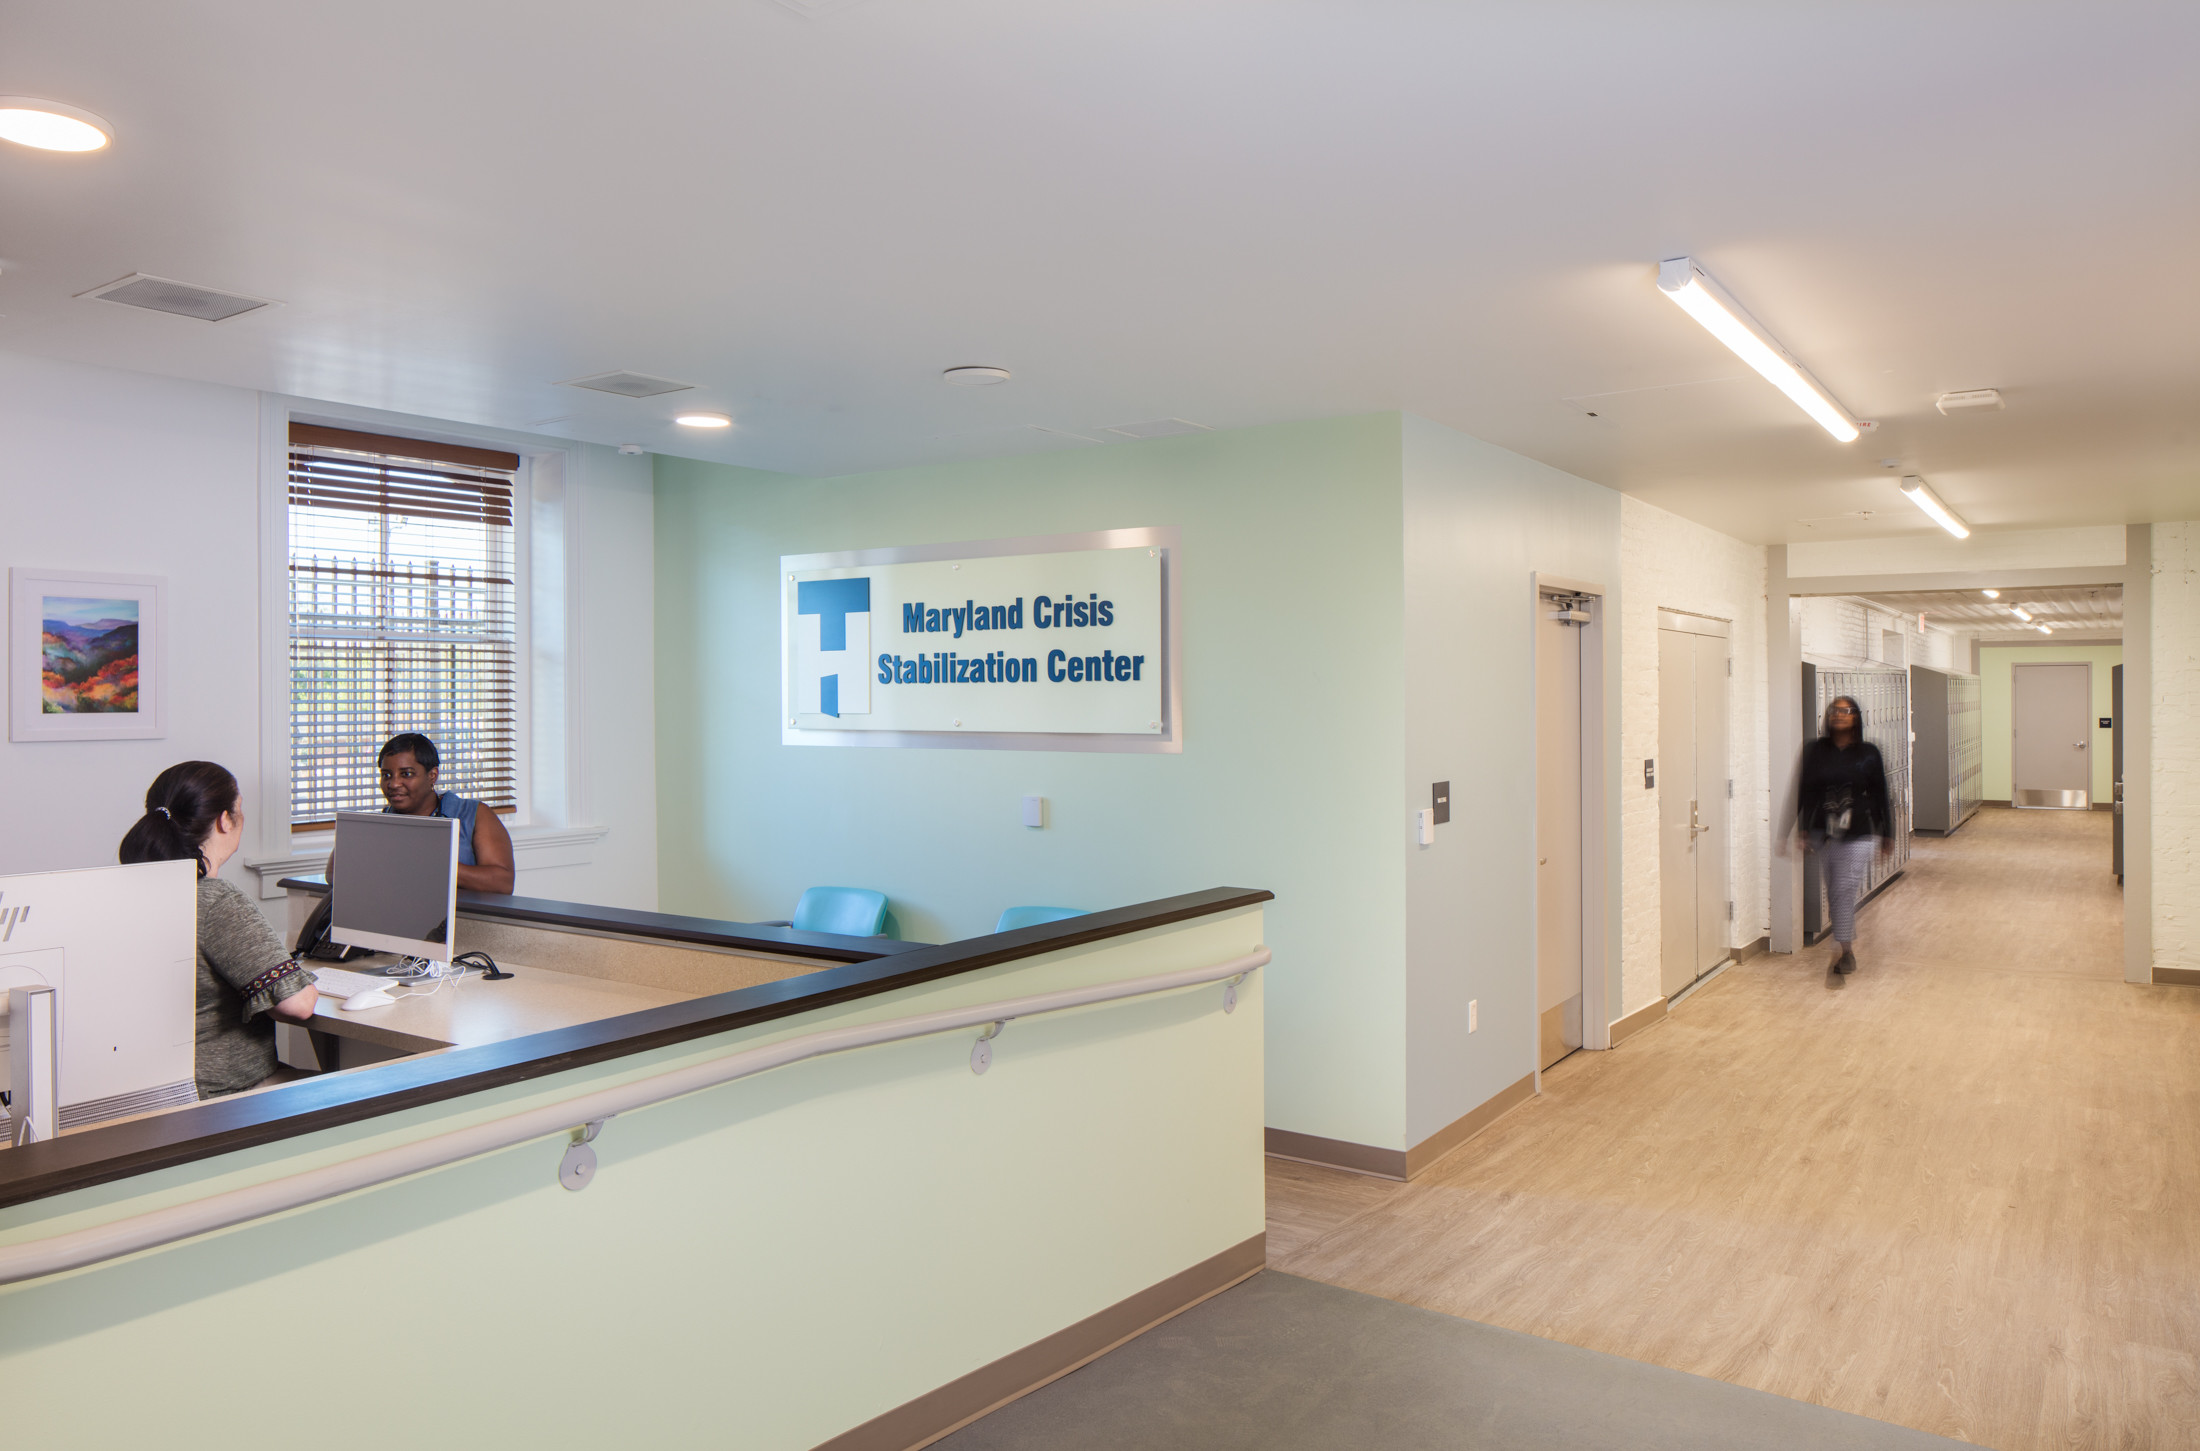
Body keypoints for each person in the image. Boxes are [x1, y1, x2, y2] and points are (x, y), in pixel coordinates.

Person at [119, 761, 319, 1098]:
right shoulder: (214, 901)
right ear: (225, 820)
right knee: (359, 1093)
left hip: (149, 1092)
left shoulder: (130, 891)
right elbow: (297, 1005)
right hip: (222, 1095)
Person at [1796, 695, 1893, 975]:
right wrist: (1800, 827)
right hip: (1825, 833)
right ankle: (1845, 947)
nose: (1839, 715)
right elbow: (1805, 790)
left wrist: (1887, 832)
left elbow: (1879, 793)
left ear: (1856, 717)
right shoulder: (1815, 750)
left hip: (1859, 833)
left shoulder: (1868, 752)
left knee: (1843, 889)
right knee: (1835, 891)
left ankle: (1842, 950)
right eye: (1835, 710)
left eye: (1846, 711)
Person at [377, 732, 515, 894]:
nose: (393, 784)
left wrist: (435, 865)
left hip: (465, 917)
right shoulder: (380, 824)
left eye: (406, 774)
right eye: (386, 775)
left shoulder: (473, 814)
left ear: (432, 776)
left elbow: (502, 883)